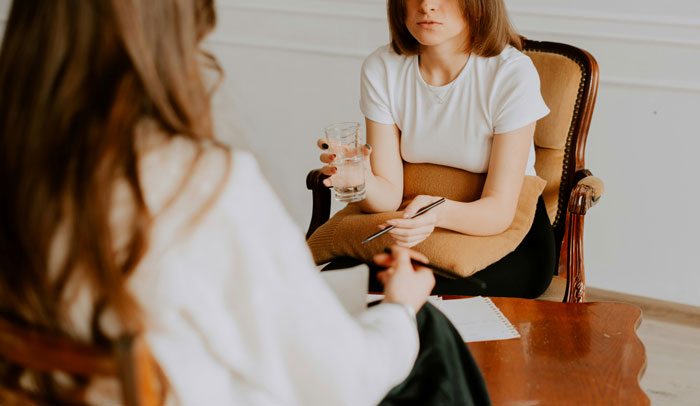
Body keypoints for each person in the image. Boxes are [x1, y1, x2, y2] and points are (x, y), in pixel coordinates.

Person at [0, 1, 489, 405]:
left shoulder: (25, 168)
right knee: (426, 335)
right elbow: (341, 380)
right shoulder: (198, 183)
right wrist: (400, 308)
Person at [317, 0, 556, 298]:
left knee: (416, 295)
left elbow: (498, 211)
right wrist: (361, 179)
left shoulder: (511, 73)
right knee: (330, 287)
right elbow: (389, 195)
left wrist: (436, 214)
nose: (427, 5)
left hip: (505, 236)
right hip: (415, 222)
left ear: (478, 5)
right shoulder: (382, 67)